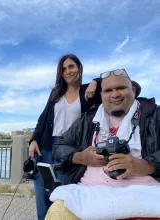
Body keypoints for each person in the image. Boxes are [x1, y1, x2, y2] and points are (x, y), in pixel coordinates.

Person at [45, 69, 160, 220]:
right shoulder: (88, 120)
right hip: (90, 192)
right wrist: (80, 157)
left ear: (133, 90)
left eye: (121, 88)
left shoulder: (154, 115)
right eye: (108, 90)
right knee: (57, 211)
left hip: (143, 191)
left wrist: (146, 165)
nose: (114, 94)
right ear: (101, 95)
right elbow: (59, 146)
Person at [28, 54, 103, 220]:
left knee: (65, 195)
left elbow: (114, 83)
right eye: (63, 69)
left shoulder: (88, 92)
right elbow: (43, 118)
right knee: (43, 194)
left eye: (71, 66)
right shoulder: (56, 93)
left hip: (71, 150)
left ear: (79, 68)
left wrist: (95, 81)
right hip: (47, 147)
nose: (68, 71)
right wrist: (33, 140)